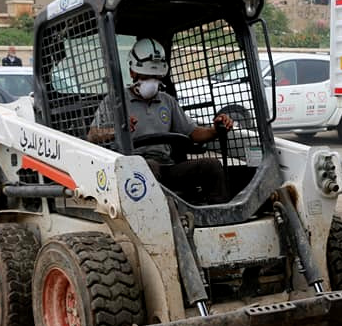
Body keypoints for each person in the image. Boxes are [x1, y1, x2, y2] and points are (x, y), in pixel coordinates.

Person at [88, 38, 234, 204]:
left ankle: (217, 216)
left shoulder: (167, 101)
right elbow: (92, 135)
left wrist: (214, 130)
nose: (152, 81)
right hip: (130, 170)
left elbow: (192, 132)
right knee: (149, 166)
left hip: (166, 166)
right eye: (146, 76)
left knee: (211, 166)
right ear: (132, 72)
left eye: (156, 77)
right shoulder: (114, 101)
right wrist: (117, 130)